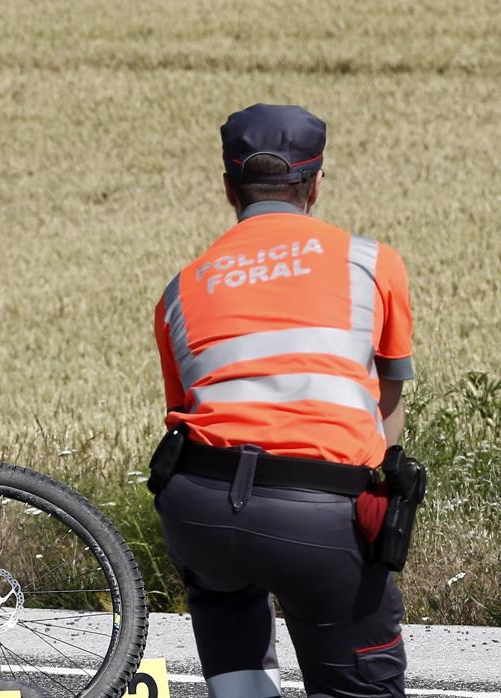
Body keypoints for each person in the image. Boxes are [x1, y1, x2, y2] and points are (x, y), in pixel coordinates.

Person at [149, 104, 415, 697]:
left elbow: (189, 411)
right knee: (359, 684)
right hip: (318, 510)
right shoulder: (371, 261)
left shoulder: (181, 289)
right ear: (315, 184)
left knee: (232, 632)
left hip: (200, 505)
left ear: (227, 189)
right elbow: (387, 406)